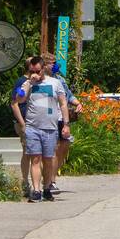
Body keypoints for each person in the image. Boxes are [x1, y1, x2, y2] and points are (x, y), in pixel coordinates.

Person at [11, 56, 70, 202]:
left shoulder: (55, 83)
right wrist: (28, 84)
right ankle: (36, 190)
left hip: (50, 127)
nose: (35, 73)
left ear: (43, 69)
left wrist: (66, 124)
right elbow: (18, 100)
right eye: (32, 71)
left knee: (48, 160)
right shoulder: (27, 83)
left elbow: (63, 103)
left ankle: (47, 187)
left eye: (37, 70)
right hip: (32, 127)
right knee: (35, 159)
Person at [45, 55, 82, 197]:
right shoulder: (39, 81)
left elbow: (68, 96)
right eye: (52, 63)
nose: (55, 66)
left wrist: (78, 103)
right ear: (45, 65)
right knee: (53, 149)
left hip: (61, 118)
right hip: (48, 118)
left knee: (64, 146)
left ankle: (53, 175)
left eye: (55, 63)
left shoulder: (60, 80)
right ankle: (50, 181)